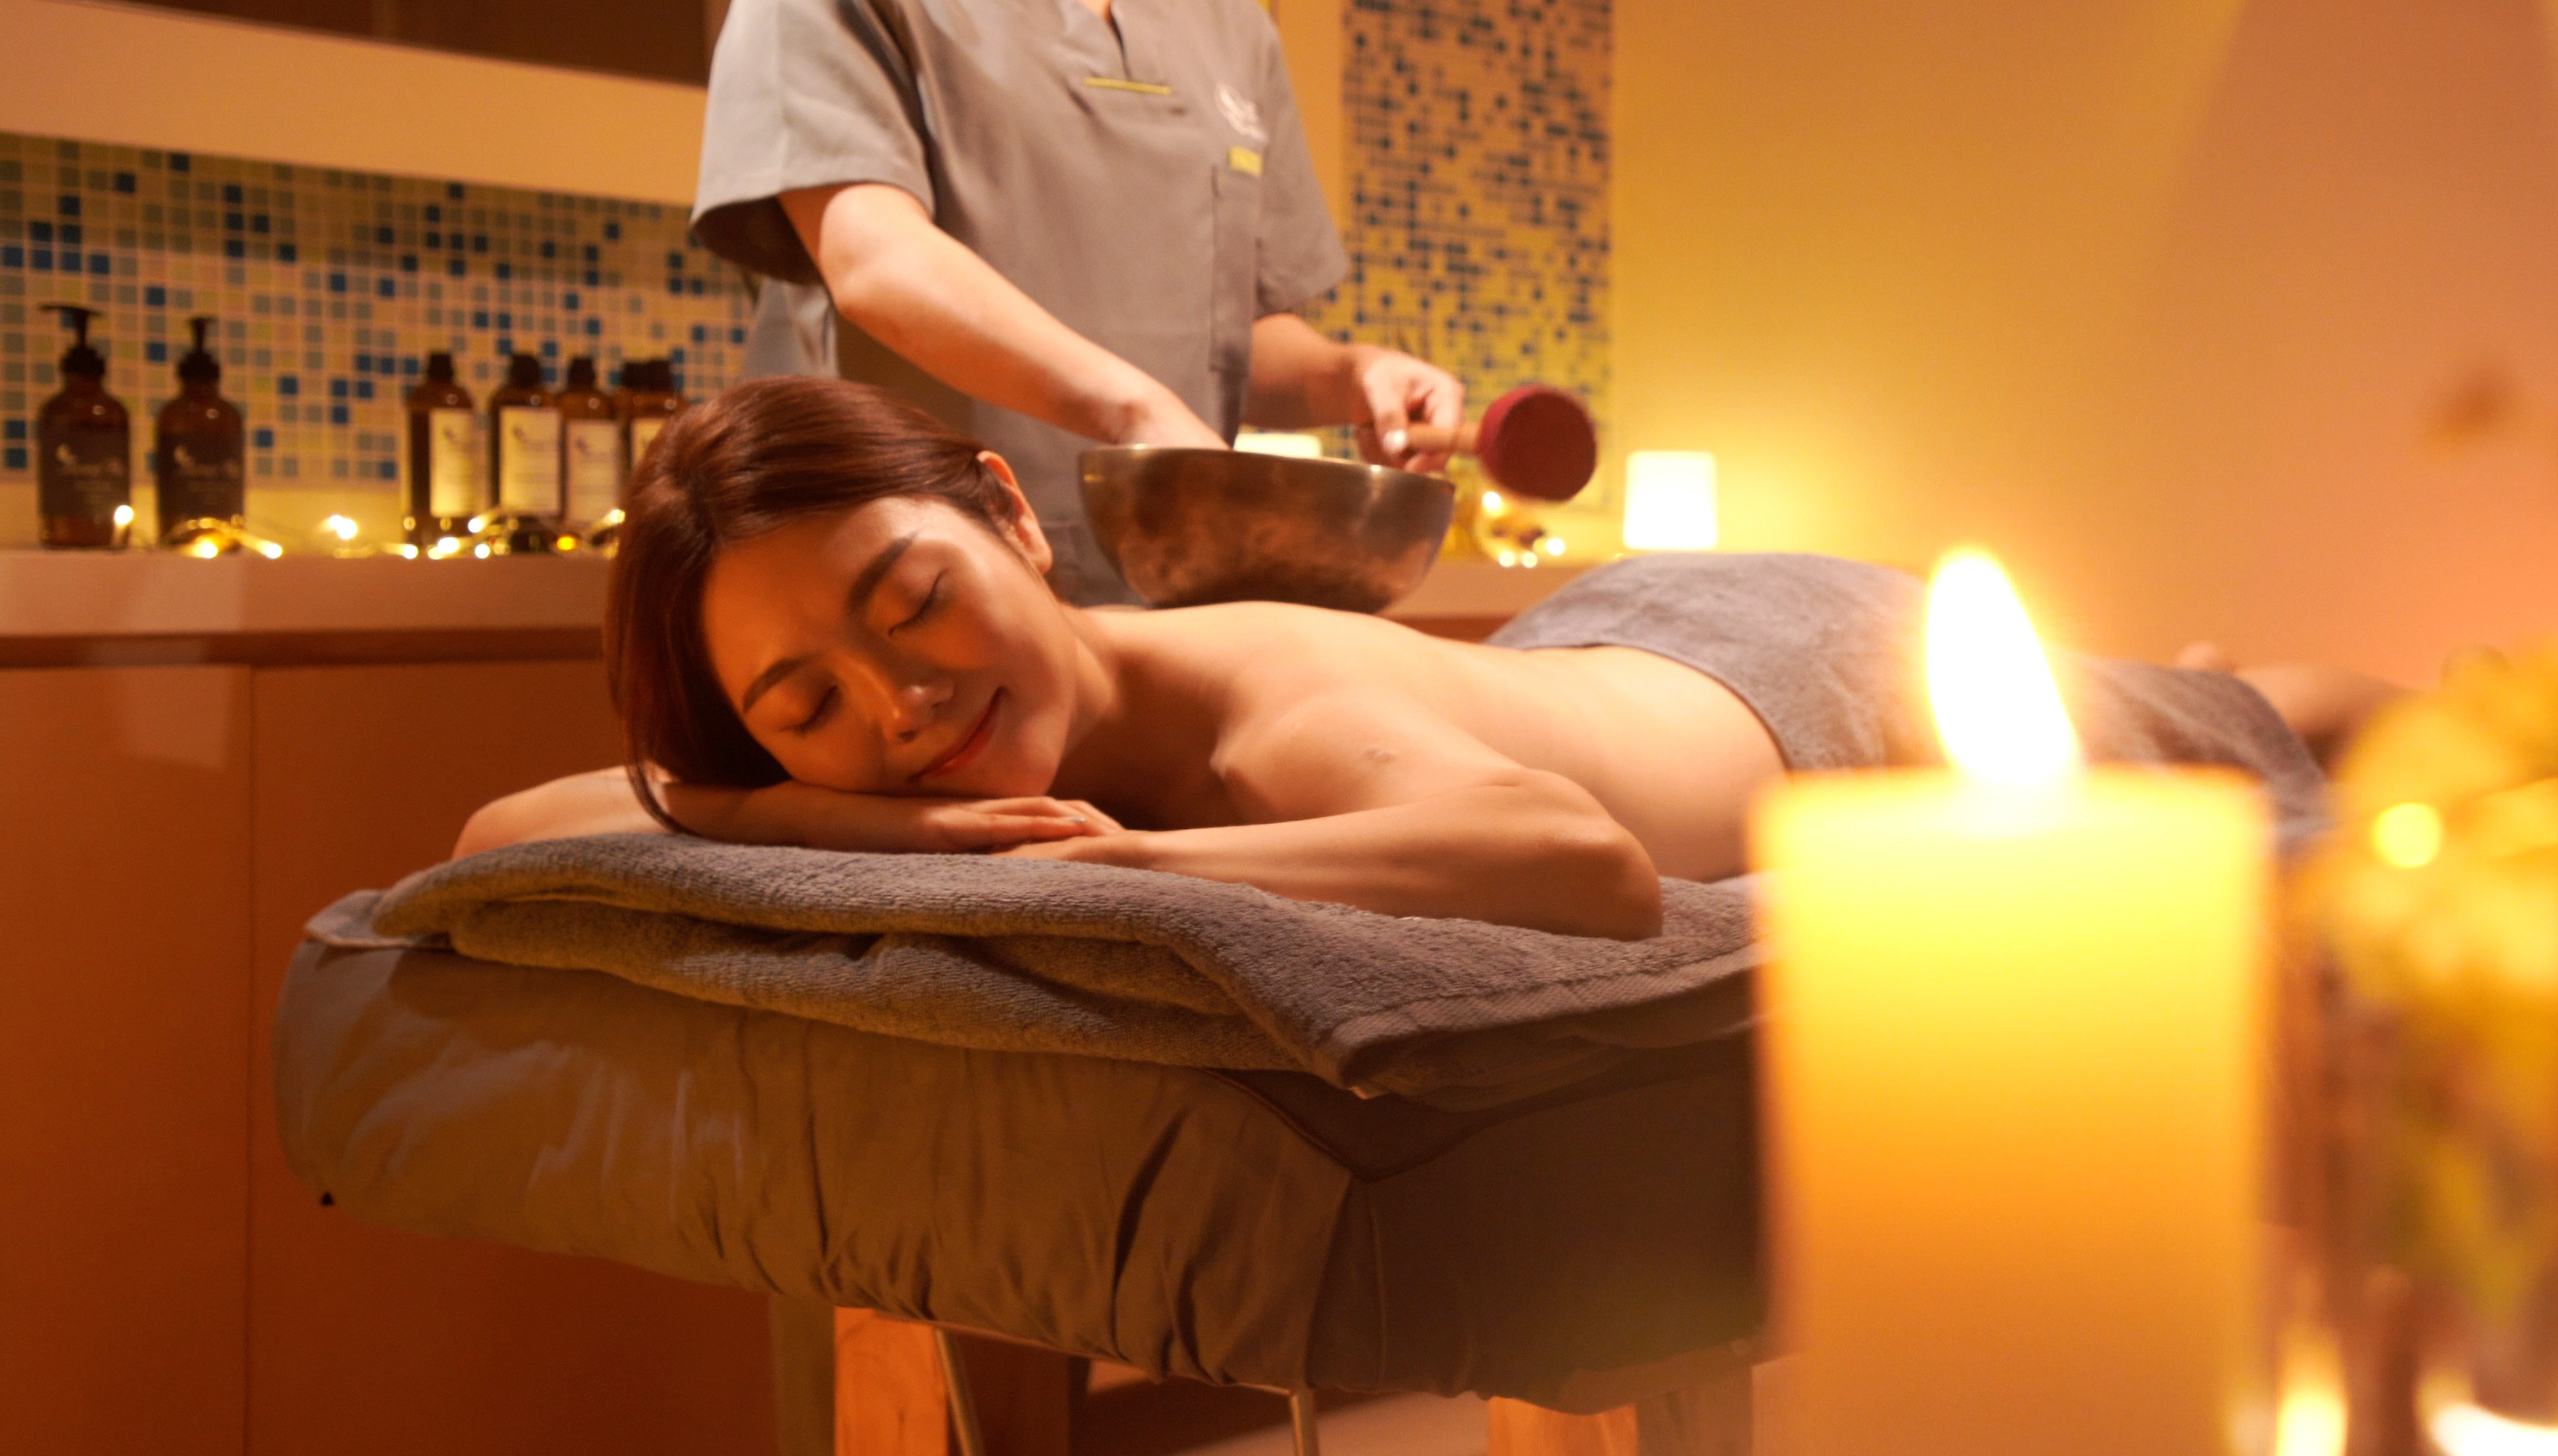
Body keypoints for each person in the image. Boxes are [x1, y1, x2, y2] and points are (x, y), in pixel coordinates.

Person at [459, 380, 2385, 941]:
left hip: (1815, 678)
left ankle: (2318, 681)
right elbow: (499, 830)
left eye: (908, 599)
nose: (898, 703)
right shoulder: (899, 763)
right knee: (2153, 689)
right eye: (803, 702)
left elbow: (1577, 862)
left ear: (1011, 515)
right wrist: (823, 813)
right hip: (1597, 646)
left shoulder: (1276, 721)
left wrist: (1114, 866)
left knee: (2255, 729)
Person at [696, 0, 1463, 605]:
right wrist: (1136, 413)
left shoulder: (1230, 29)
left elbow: (1235, 334)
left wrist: (1351, 376)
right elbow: (876, 261)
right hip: (909, 593)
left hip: (1175, 601)